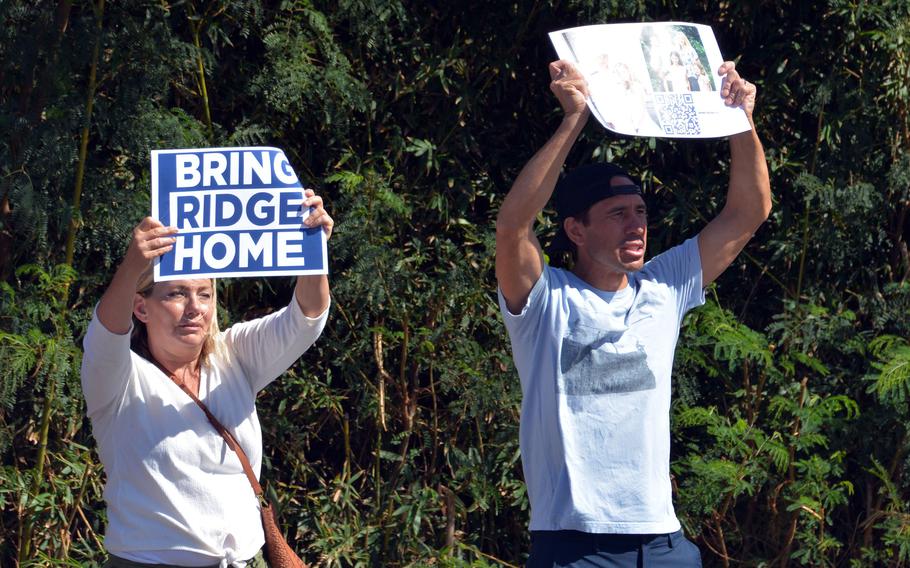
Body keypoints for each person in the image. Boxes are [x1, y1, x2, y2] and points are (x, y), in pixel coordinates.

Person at [494, 59, 770, 567]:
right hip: (574, 546)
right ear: (576, 230)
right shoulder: (545, 299)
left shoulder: (663, 286)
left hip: (664, 543)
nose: (636, 225)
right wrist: (574, 118)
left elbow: (747, 213)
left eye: (640, 211)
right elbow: (513, 227)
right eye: (618, 214)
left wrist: (741, 120)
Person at [81, 189, 333, 567]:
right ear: (141, 307)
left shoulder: (234, 355)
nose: (195, 309)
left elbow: (306, 317)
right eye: (177, 294)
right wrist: (133, 266)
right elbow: (106, 331)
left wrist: (313, 250)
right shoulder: (119, 380)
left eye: (205, 293)